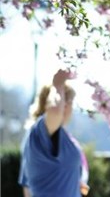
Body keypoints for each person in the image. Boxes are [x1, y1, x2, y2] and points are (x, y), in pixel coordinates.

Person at [18, 68, 90, 197]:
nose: (69, 107)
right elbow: (56, 111)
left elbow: (27, 187)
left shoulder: (56, 136)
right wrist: (58, 84)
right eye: (67, 101)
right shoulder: (39, 131)